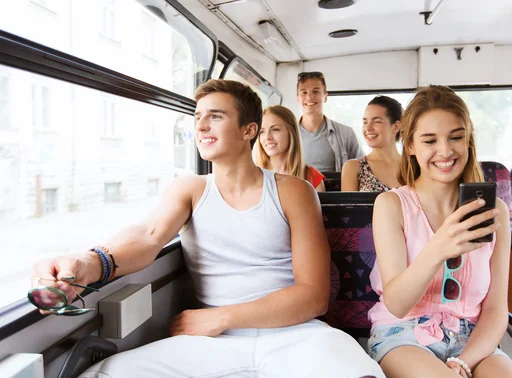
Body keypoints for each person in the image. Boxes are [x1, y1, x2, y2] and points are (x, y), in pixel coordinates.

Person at [31, 80, 384, 378]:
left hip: (296, 335)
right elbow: (148, 236)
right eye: (198, 117)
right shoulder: (190, 189)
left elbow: (313, 296)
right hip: (212, 344)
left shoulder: (293, 191)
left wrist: (220, 317)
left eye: (215, 117)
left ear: (249, 130)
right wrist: (88, 262)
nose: (201, 126)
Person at [367, 85, 512, 378]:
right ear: (411, 146)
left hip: (472, 337)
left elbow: (495, 310)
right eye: (430, 140)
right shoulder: (391, 205)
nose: (445, 151)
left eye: (456, 137)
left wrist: (463, 361)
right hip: (403, 333)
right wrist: (438, 248)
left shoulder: (496, 212)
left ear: (468, 141)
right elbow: (397, 304)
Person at [296, 71, 363, 172]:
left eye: (316, 91)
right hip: (297, 188)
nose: (309, 97)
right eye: (304, 92)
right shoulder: (287, 135)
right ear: (298, 98)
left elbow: (361, 170)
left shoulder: (346, 134)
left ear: (325, 97)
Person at [255, 105, 325, 192]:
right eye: (261, 132)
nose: (267, 137)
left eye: (275, 129)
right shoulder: (252, 175)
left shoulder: (312, 177)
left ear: (291, 132)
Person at [341, 96, 402, 192]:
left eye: (377, 121)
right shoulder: (353, 167)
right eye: (365, 122)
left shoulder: (412, 166)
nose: (368, 128)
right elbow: (349, 206)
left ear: (396, 127)